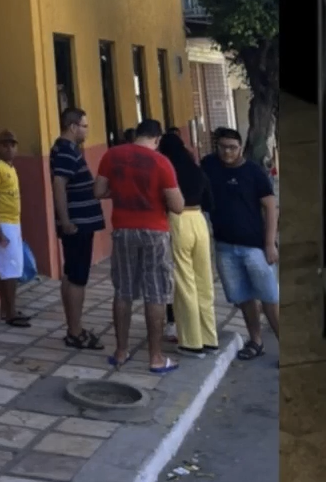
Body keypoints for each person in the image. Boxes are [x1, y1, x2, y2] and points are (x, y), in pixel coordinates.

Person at [97, 119, 184, 372]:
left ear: (136, 134)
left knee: (123, 291)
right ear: (156, 139)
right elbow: (177, 206)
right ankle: (156, 358)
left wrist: (122, 192)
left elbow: (99, 190)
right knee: (155, 293)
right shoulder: (161, 162)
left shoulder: (111, 155)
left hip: (123, 229)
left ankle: (121, 351)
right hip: (154, 233)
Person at [201, 127, 280, 361]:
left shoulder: (253, 172)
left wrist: (270, 243)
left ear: (240, 148)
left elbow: (270, 206)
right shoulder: (208, 165)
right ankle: (255, 341)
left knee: (269, 299)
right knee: (244, 298)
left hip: (255, 247)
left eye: (232, 147)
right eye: (223, 147)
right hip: (225, 246)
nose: (227, 152)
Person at [158, 129, 218, 356]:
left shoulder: (168, 171)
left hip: (178, 220)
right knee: (204, 280)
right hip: (200, 222)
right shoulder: (196, 170)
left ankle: (192, 342)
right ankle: (210, 338)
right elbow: (211, 202)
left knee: (184, 281)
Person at [50, 108, 106, 350]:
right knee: (77, 278)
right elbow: (58, 185)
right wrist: (66, 221)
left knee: (71, 274)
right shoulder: (64, 151)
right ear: (72, 127)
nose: (86, 130)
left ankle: (74, 327)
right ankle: (75, 332)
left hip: (79, 223)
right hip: (77, 225)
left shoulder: (69, 150)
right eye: (84, 126)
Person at [0, 130, 29, 328]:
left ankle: (6, 309)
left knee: (6, 267)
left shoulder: (9, 167)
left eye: (12, 145)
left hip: (12, 222)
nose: (9, 148)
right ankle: (10, 312)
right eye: (4, 145)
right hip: (2, 223)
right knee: (11, 268)